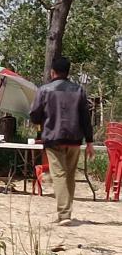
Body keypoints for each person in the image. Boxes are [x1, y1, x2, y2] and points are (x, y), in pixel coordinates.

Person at [30, 56, 94, 226]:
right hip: (74, 138)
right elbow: (85, 118)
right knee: (70, 175)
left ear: (52, 72)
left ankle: (64, 214)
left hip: (53, 138)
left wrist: (41, 120)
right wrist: (89, 141)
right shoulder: (78, 90)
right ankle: (66, 211)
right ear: (68, 72)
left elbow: (34, 115)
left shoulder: (44, 90)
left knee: (58, 175)